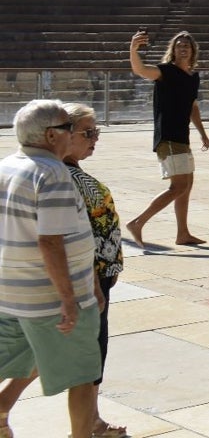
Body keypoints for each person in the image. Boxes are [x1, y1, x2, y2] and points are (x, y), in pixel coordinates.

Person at [0, 103, 128, 438]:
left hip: (15, 291)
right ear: (50, 134)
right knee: (84, 376)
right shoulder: (52, 173)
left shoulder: (9, 164)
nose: (73, 134)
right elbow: (51, 242)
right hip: (49, 296)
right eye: (69, 127)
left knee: (19, 359)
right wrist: (69, 299)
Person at [127, 29, 209, 246]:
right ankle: (138, 222)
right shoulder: (166, 72)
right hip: (168, 137)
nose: (183, 48)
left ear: (193, 50)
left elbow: (192, 107)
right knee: (179, 186)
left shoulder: (193, 77)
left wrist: (202, 133)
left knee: (187, 184)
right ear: (173, 50)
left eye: (186, 45)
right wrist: (133, 49)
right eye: (179, 45)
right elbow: (141, 70)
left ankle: (183, 233)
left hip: (182, 137)